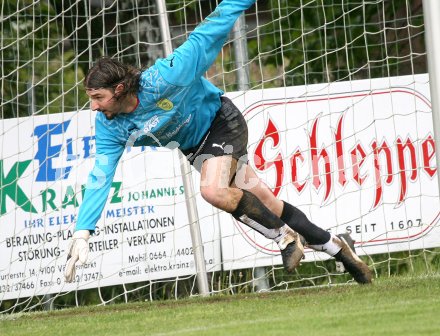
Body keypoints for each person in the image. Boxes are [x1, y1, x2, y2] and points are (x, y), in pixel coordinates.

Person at [64, 0, 372, 285]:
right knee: (266, 201)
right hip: (196, 149)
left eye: (97, 98)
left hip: (222, 121)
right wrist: (82, 231)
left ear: (118, 89)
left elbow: (210, 30)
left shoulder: (165, 78)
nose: (93, 107)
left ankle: (285, 238)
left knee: (213, 190)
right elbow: (100, 177)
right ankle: (338, 247)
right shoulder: (109, 127)